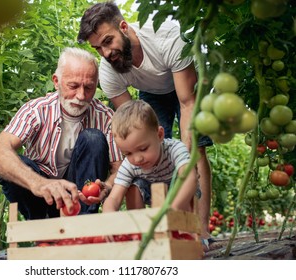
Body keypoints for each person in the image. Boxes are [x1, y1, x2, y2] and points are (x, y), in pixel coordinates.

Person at [77, 1, 214, 247]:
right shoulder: (109, 72)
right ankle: (159, 230)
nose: (106, 53)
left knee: (195, 150)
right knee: (149, 154)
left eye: (108, 41)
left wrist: (184, 157)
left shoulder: (167, 36)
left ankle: (201, 230)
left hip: (184, 84)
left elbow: (186, 103)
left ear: (124, 26)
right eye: (98, 48)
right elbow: (131, 121)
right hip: (151, 93)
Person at [0, 47, 123, 220]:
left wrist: (108, 186)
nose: (81, 95)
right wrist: (40, 184)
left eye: (89, 87)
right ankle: (41, 225)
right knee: (13, 162)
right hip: (40, 198)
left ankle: (83, 227)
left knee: (93, 138)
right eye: (73, 86)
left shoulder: (105, 117)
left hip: (81, 196)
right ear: (56, 81)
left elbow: (119, 168)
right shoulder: (36, 110)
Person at [102, 99, 198, 213]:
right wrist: (109, 216)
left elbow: (190, 179)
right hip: (151, 193)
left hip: (180, 196)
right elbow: (113, 198)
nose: (137, 159)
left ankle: (186, 228)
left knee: (186, 182)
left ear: (160, 135)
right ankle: (139, 228)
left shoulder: (175, 149)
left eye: (143, 149)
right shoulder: (129, 165)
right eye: (127, 153)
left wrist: (173, 210)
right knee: (133, 186)